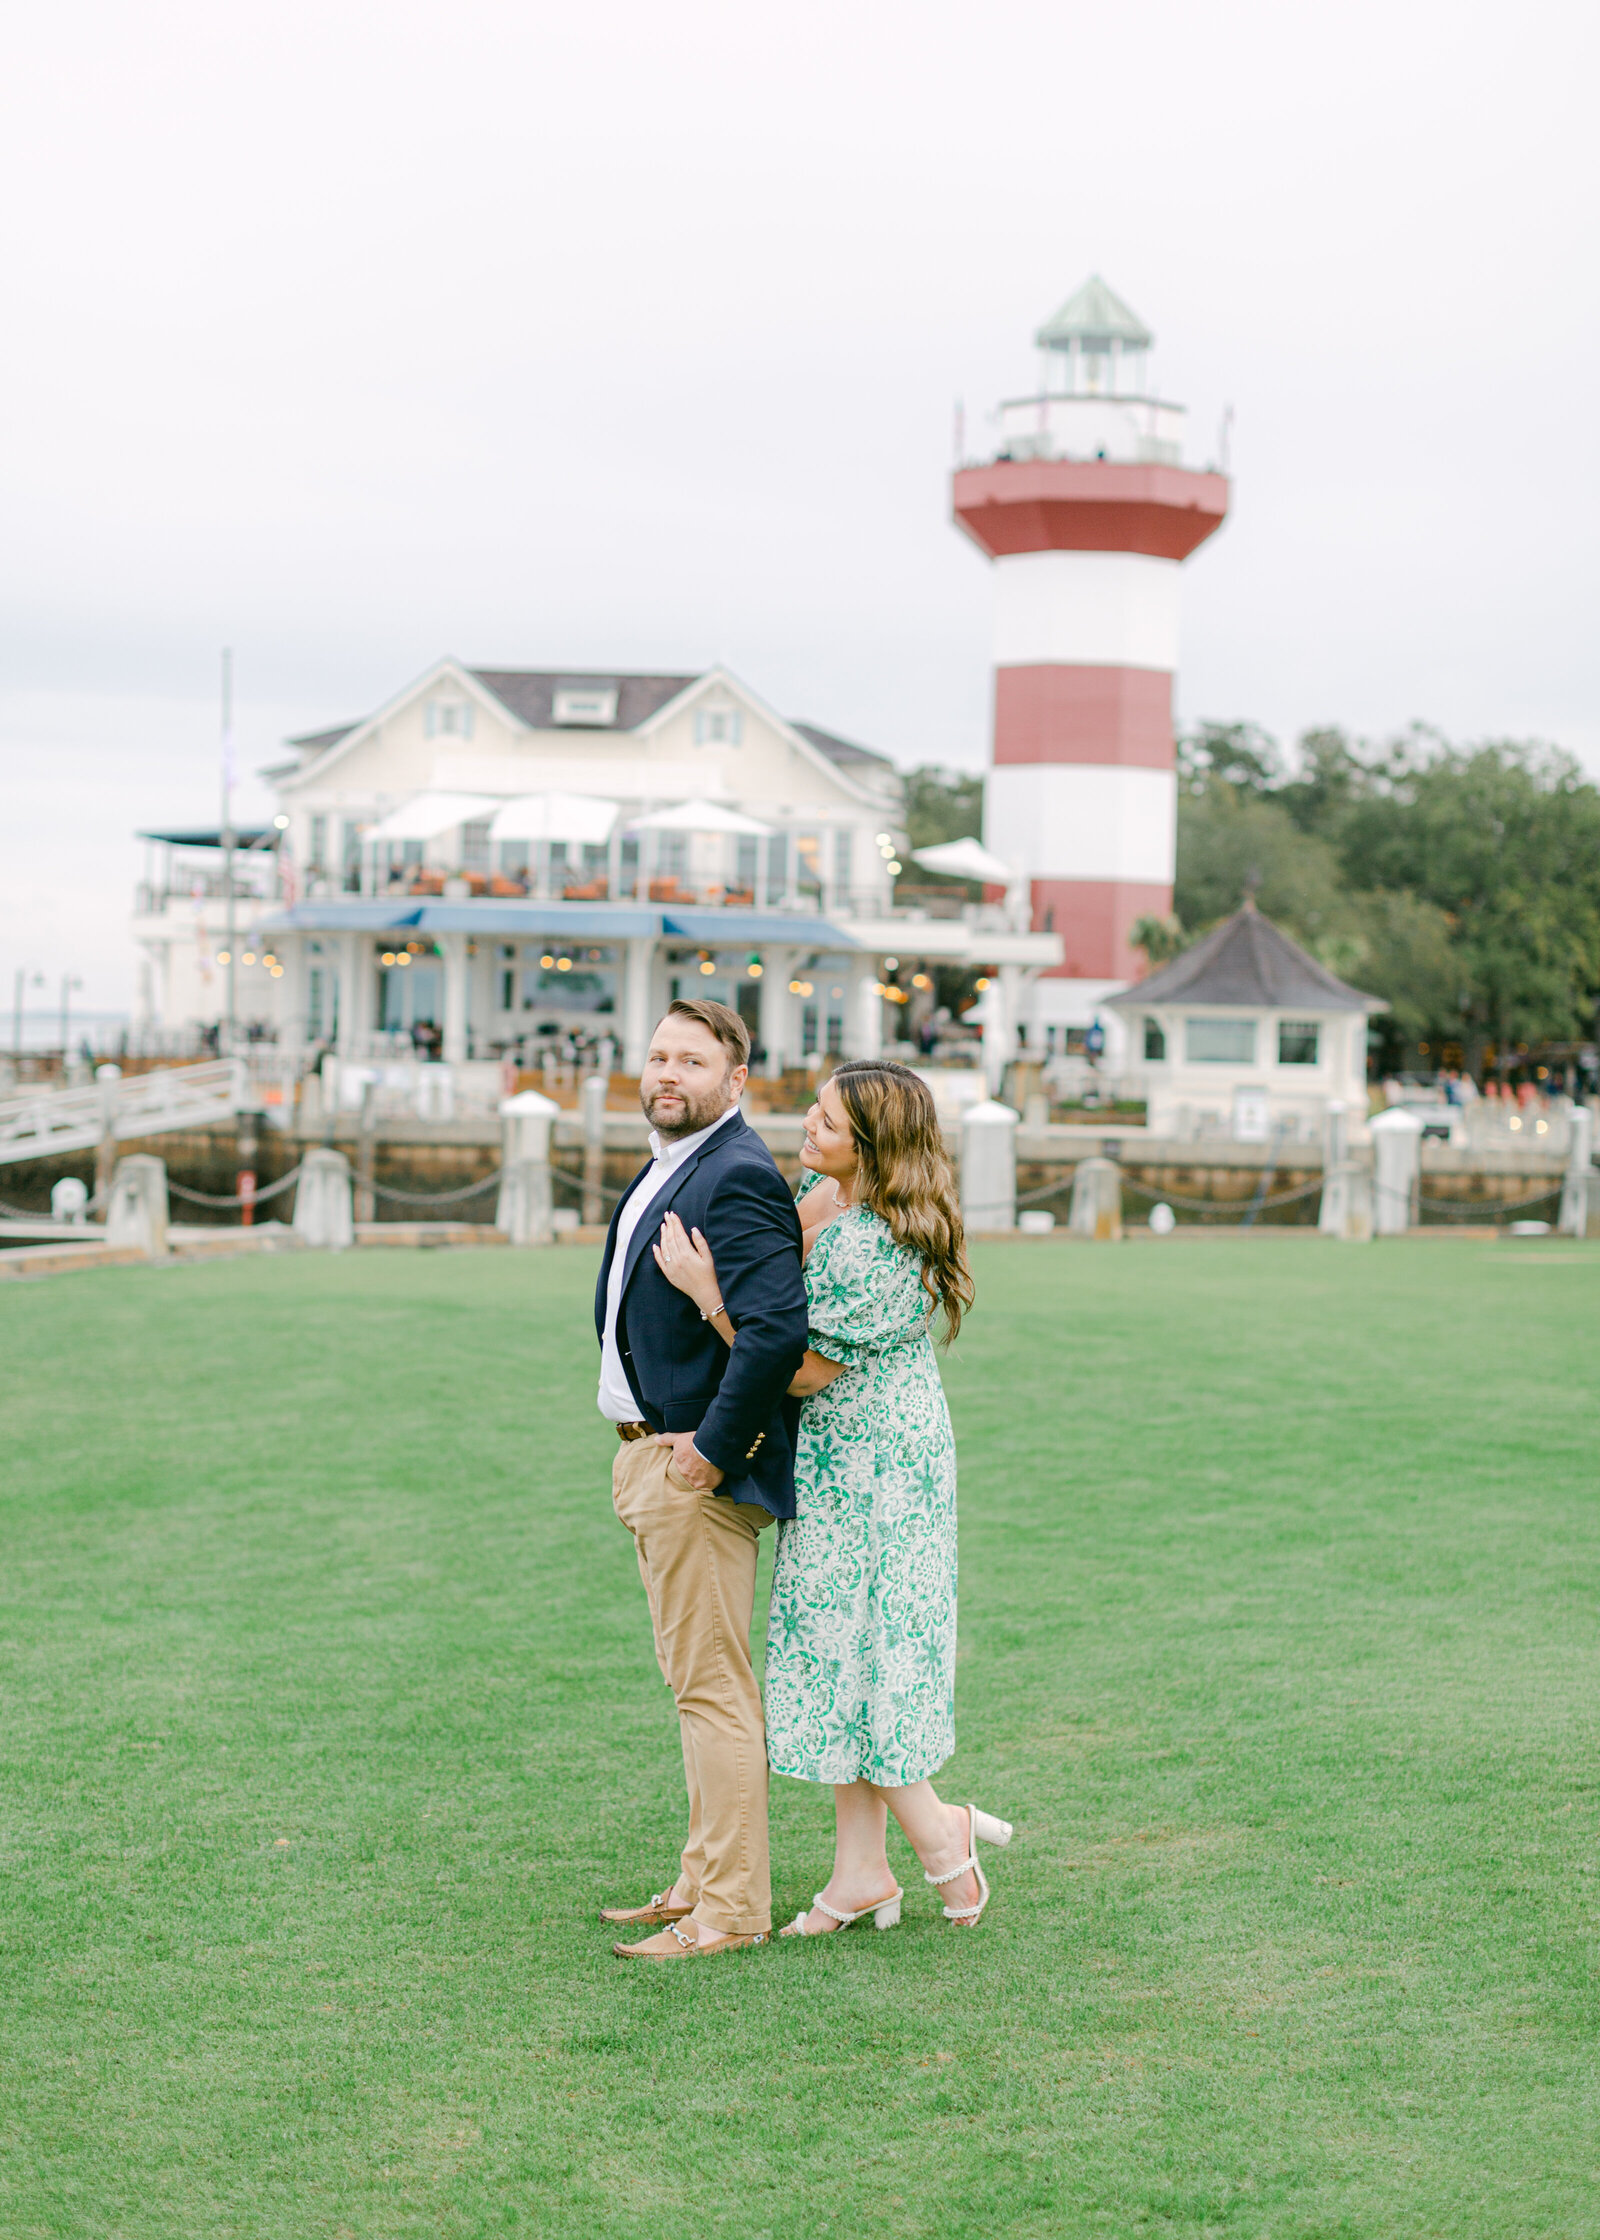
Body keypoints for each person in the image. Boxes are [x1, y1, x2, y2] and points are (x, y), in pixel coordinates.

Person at [654, 1058, 1014, 1936]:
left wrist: (710, 1301)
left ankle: (940, 1836)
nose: (806, 1129)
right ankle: (860, 1873)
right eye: (812, 1110)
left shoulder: (885, 1243)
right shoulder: (827, 1190)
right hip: (834, 1461)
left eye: (826, 1122)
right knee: (834, 1648)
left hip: (884, 1470)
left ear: (874, 1146)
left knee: (869, 1653)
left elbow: (804, 1369)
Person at [594, 999, 809, 1961]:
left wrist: (710, 1452)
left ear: (736, 1079)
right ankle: (698, 1879)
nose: (668, 1072)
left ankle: (730, 1909)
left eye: (691, 1059)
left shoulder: (737, 1177)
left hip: (693, 1463)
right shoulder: (670, 1162)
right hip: (650, 1449)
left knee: (713, 1689)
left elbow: (775, 1334)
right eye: (658, 1055)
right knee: (694, 1686)